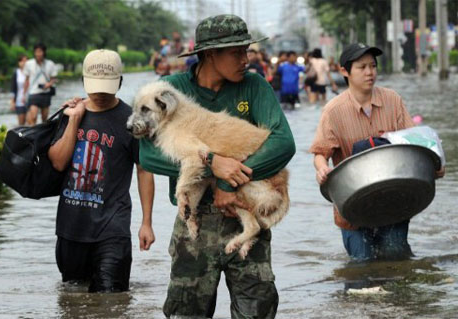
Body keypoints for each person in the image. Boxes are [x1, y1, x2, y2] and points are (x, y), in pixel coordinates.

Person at [139, 14, 295, 318]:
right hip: (194, 219)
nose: (246, 59)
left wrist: (227, 183)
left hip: (245, 213)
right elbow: (147, 154)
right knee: (186, 311)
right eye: (237, 52)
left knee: (257, 310)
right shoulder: (171, 90)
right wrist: (212, 164)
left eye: (247, 50)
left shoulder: (254, 87)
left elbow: (283, 144)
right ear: (210, 54)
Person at [309, 43, 445, 261]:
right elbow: (320, 152)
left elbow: (414, 141)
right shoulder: (333, 111)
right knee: (362, 265)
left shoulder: (392, 100)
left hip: (394, 199)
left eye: (372, 66)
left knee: (396, 258)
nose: (369, 72)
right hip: (352, 205)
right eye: (362, 67)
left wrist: (435, 162)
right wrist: (322, 168)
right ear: (345, 71)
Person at [48, 49, 155, 292]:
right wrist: (74, 119)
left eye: (107, 86)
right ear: (84, 81)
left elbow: (144, 170)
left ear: (119, 82)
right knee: (73, 300)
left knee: (111, 301)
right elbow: (58, 162)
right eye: (95, 86)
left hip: (113, 227)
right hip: (71, 227)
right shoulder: (70, 113)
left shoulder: (132, 120)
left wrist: (146, 222)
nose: (100, 93)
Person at [22, 43, 57, 125]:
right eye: (36, 51)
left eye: (40, 51)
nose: (38, 54)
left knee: (44, 118)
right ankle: (33, 133)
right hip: (33, 93)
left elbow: (54, 79)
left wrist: (48, 84)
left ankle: (43, 134)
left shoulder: (50, 64)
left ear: (44, 52)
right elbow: (26, 80)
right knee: (33, 116)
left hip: (46, 93)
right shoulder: (29, 64)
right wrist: (24, 94)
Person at [10, 54, 28, 126]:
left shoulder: (31, 73)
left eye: (26, 61)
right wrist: (12, 101)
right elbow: (13, 88)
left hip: (30, 100)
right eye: (22, 61)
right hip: (19, 101)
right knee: (21, 123)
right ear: (19, 62)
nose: (24, 63)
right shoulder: (16, 73)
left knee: (31, 121)